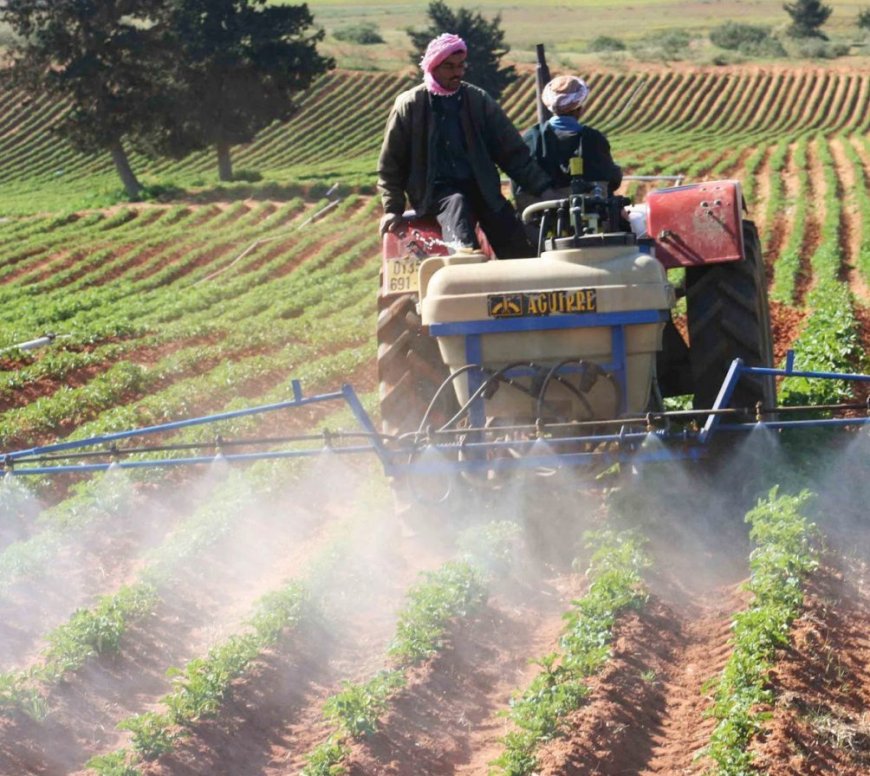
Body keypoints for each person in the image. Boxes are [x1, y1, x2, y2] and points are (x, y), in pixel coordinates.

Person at [377, 33, 555, 259]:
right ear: (433, 67)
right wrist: (393, 209)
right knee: (457, 206)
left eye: (461, 66)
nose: (457, 73)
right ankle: (465, 263)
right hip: (435, 193)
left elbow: (512, 153)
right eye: (450, 67)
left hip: (482, 188)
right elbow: (390, 164)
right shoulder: (411, 105)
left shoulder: (478, 100)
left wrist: (543, 188)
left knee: (515, 241)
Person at [514, 74, 622, 211]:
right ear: (579, 108)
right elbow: (611, 179)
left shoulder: (531, 138)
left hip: (539, 221)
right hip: (592, 219)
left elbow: (519, 184)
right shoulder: (594, 139)